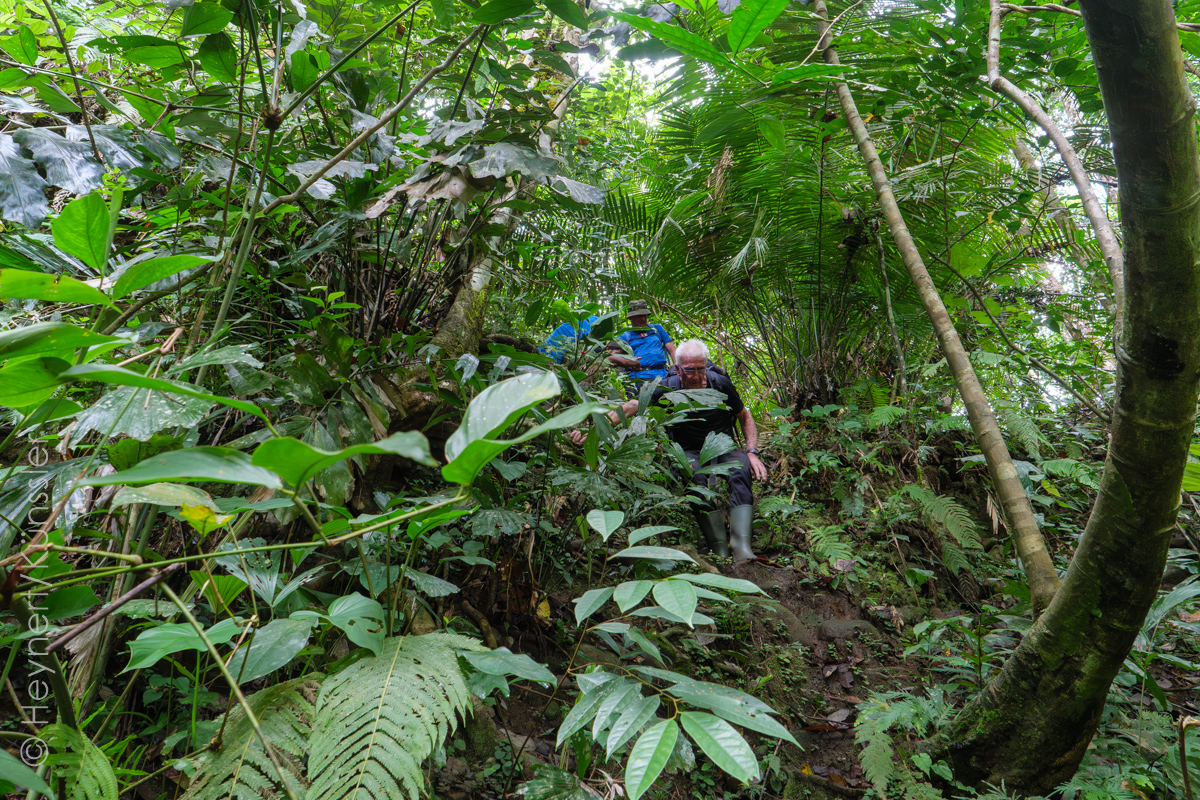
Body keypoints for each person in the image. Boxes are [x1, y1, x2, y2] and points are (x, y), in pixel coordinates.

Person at [573, 338, 768, 561]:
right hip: (687, 449)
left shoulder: (719, 383)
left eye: (700, 369)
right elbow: (631, 407)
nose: (696, 375)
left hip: (723, 445)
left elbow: (744, 416)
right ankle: (718, 545)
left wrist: (752, 452)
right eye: (689, 370)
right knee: (693, 477)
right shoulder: (667, 387)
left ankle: (742, 546)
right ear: (678, 367)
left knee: (741, 470)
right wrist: (594, 431)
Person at [606, 299, 676, 385]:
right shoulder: (625, 336)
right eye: (639, 316)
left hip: (663, 376)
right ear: (631, 317)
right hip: (638, 379)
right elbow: (612, 355)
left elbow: (672, 350)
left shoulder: (657, 329)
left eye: (644, 315)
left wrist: (677, 368)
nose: (643, 318)